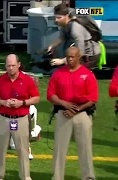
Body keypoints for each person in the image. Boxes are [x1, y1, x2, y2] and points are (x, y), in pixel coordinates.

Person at [47, 47, 98, 180]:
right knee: (59, 148)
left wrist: (75, 109)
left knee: (85, 147)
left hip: (82, 114)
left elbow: (93, 98)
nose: (70, 59)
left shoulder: (87, 74)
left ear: (79, 56)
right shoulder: (58, 73)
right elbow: (51, 94)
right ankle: (57, 177)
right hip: (63, 113)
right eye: (68, 56)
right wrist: (65, 104)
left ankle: (88, 177)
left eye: (73, 56)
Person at [0, 54, 40, 180]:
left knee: (23, 150)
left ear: (18, 65)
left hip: (21, 119)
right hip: (4, 118)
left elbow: (36, 98)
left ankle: (25, 176)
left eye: (13, 65)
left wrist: (21, 103)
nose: (11, 68)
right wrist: (3, 102)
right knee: (0, 149)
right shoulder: (0, 80)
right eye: (8, 66)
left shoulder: (27, 80)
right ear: (5, 66)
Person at [48, 4, 101, 69]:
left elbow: (80, 52)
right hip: (82, 54)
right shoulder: (64, 24)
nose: (56, 20)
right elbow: (62, 38)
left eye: (59, 18)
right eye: (55, 17)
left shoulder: (76, 29)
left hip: (90, 56)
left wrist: (62, 61)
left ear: (67, 16)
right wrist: (52, 46)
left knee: (70, 71)